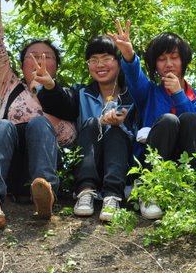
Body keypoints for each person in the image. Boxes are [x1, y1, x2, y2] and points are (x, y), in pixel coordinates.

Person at [0, 0, 76, 228]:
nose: (40, 60)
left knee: (39, 124)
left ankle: (44, 196)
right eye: (32, 56)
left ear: (56, 66)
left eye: (47, 56)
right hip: (10, 168)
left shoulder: (63, 96)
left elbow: (70, 138)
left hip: (43, 168)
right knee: (2, 126)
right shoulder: (9, 85)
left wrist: (43, 113)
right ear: (22, 65)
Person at [110, 20, 196, 220]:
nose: (168, 64)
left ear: (184, 60)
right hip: (152, 161)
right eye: (161, 59)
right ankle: (149, 190)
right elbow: (135, 76)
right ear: (155, 66)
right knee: (168, 120)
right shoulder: (148, 92)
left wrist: (179, 95)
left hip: (187, 164)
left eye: (174, 57)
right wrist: (129, 54)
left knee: (190, 119)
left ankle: (194, 191)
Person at [35, 35, 137, 222]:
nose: (100, 65)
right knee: (91, 123)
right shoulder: (81, 93)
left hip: (123, 167)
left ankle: (112, 197)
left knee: (116, 131)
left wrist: (121, 123)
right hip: (89, 164)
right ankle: (85, 192)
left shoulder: (132, 95)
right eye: (94, 60)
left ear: (119, 62)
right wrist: (50, 85)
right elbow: (61, 102)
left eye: (106, 58)